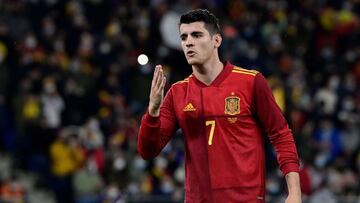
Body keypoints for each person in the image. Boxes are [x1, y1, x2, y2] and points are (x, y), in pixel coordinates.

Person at [137, 9, 301, 203]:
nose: (189, 42)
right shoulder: (177, 93)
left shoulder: (251, 82)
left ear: (217, 40)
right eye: (184, 37)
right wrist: (153, 113)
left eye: (197, 35)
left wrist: (294, 192)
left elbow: (281, 135)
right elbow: (147, 151)